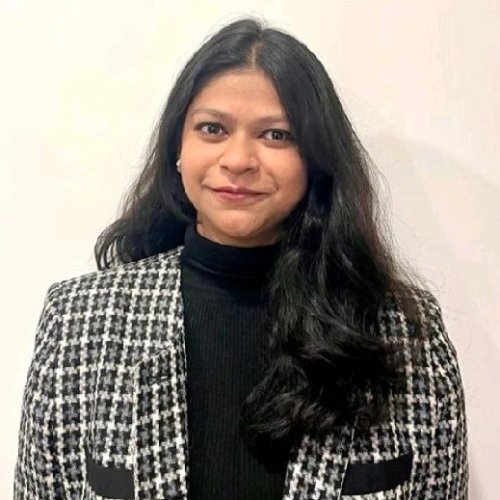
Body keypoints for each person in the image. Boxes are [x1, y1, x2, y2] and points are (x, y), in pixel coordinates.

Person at [14, 17, 468, 500]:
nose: (238, 160)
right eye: (212, 129)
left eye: (276, 135)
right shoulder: (80, 323)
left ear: (315, 158)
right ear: (178, 148)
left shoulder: (402, 332)